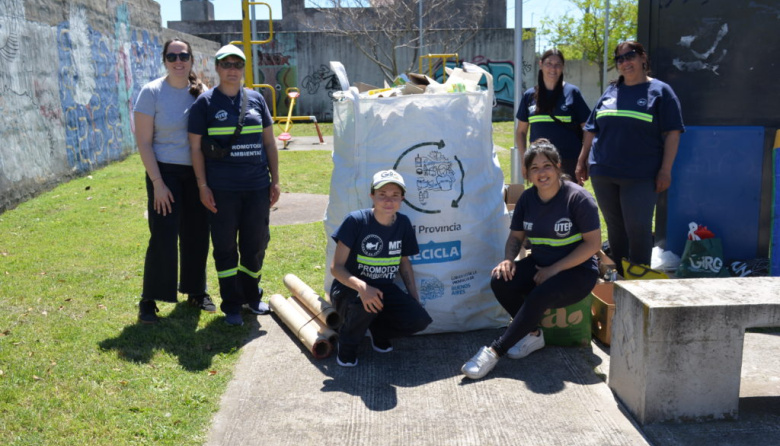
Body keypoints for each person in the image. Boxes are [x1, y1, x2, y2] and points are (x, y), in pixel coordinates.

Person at [461, 139, 601, 380]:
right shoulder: (527, 199)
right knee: (500, 280)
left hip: (578, 271)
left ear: (558, 167)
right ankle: (533, 335)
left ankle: (494, 351)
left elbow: (593, 244)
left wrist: (555, 269)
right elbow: (516, 237)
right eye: (534, 168)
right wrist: (508, 260)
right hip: (542, 265)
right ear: (527, 174)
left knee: (540, 294)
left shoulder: (578, 198)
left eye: (546, 166)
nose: (541, 173)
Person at [188, 44, 281, 326]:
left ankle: (251, 297)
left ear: (243, 69)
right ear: (217, 68)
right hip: (222, 190)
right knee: (226, 247)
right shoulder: (204, 104)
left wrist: (275, 180)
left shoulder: (256, 99)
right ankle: (231, 304)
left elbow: (269, 142)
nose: (232, 69)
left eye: (237, 64)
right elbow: (195, 149)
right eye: (226, 64)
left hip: (256, 187)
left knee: (255, 244)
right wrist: (203, 186)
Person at [575, 41, 684, 275]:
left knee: (638, 228)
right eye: (620, 59)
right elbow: (592, 128)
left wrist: (665, 170)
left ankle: (639, 281)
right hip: (603, 172)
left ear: (643, 58)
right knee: (615, 230)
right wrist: (582, 159)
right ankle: (622, 280)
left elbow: (673, 133)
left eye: (630, 56)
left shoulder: (661, 92)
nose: (625, 62)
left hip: (640, 176)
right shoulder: (611, 91)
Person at [134, 38, 212, 324]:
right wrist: (158, 183)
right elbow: (143, 143)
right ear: (164, 60)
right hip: (163, 172)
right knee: (163, 234)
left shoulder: (201, 91)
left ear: (191, 59)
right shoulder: (151, 92)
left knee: (197, 234)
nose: (178, 61)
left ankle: (196, 291)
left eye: (183, 55)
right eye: (172, 56)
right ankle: (149, 299)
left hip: (197, 173)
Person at [330, 170, 433, 367]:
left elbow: (404, 262)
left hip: (383, 288)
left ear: (402, 198)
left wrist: (414, 298)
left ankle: (379, 332)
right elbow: (337, 268)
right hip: (349, 289)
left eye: (395, 195)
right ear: (372, 196)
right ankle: (347, 345)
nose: (388, 200)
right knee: (365, 300)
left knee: (419, 319)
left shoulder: (403, 223)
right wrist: (362, 288)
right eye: (382, 194)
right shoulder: (356, 221)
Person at [516, 49, 591, 180]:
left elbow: (588, 128)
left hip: (569, 161)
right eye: (548, 63)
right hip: (539, 163)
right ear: (540, 64)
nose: (553, 68)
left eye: (557, 64)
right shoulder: (529, 95)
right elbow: (521, 132)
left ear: (562, 67)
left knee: (569, 199)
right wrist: (525, 160)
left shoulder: (572, 92)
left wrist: (583, 160)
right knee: (543, 199)